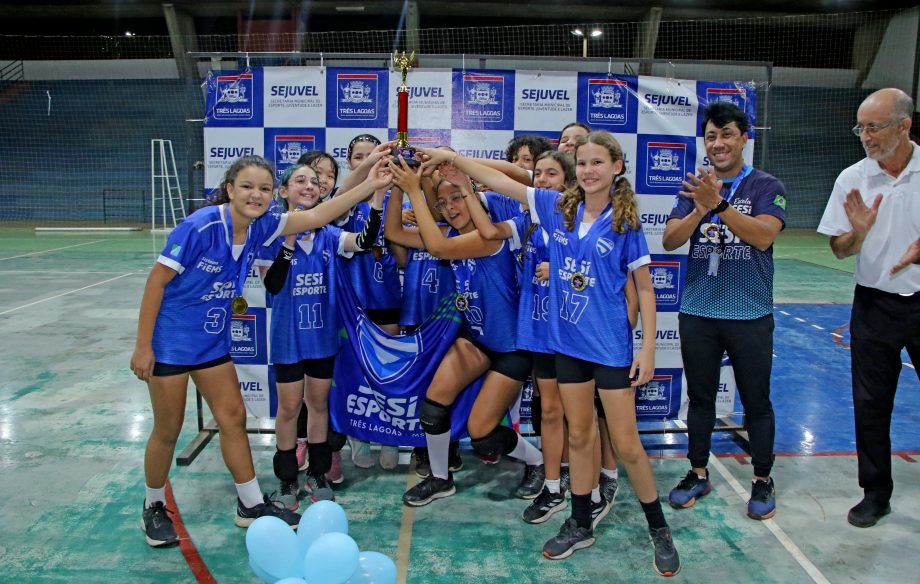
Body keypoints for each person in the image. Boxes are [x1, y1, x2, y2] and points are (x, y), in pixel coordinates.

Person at [419, 133, 680, 575]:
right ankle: (579, 523)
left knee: (628, 444)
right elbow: (502, 182)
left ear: (617, 167)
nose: (589, 170)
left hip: (609, 348)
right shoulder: (555, 206)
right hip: (566, 346)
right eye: (584, 163)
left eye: (598, 162)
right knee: (578, 435)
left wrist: (649, 348)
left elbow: (646, 289)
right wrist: (452, 159)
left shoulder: (625, 221)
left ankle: (659, 529)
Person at [130, 154, 381, 547]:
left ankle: (249, 504)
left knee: (233, 418)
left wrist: (372, 184)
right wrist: (143, 346)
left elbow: (319, 215)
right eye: (247, 186)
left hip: (212, 343)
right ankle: (154, 506)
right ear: (230, 189)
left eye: (264, 188)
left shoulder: (263, 226)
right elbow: (156, 282)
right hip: (172, 343)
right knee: (168, 428)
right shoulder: (200, 226)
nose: (256, 195)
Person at [385, 160, 545, 507]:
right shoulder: (451, 236)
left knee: (483, 434)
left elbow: (438, 249)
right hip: (478, 339)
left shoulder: (490, 237)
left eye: (456, 198)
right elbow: (394, 233)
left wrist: (415, 190)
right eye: (442, 203)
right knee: (433, 407)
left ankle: (537, 461)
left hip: (512, 348)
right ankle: (440, 478)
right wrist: (398, 185)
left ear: (474, 197)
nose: (449, 208)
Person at [662, 101, 785, 521]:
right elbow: (670, 241)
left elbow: (763, 237)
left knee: (757, 401)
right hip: (699, 311)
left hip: (750, 313)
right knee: (700, 398)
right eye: (711, 136)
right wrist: (700, 207)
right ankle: (698, 472)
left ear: (744, 138)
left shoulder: (766, 185)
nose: (718, 143)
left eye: (727, 134)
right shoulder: (696, 186)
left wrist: (718, 206)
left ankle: (762, 478)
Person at [258, 161, 390, 509]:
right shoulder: (269, 234)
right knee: (289, 408)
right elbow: (273, 285)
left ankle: (317, 474)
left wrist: (378, 197)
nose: (309, 185)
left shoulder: (329, 236)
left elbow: (364, 241)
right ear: (283, 191)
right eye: (300, 180)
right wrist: (289, 238)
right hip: (288, 339)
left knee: (318, 405)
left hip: (321, 338)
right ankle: (287, 479)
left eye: (315, 182)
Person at [817, 87, 920, 528]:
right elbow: (840, 250)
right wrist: (858, 232)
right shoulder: (852, 178)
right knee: (871, 402)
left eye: (874, 127)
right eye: (860, 127)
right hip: (874, 305)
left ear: (904, 126)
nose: (865, 136)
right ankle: (876, 493)